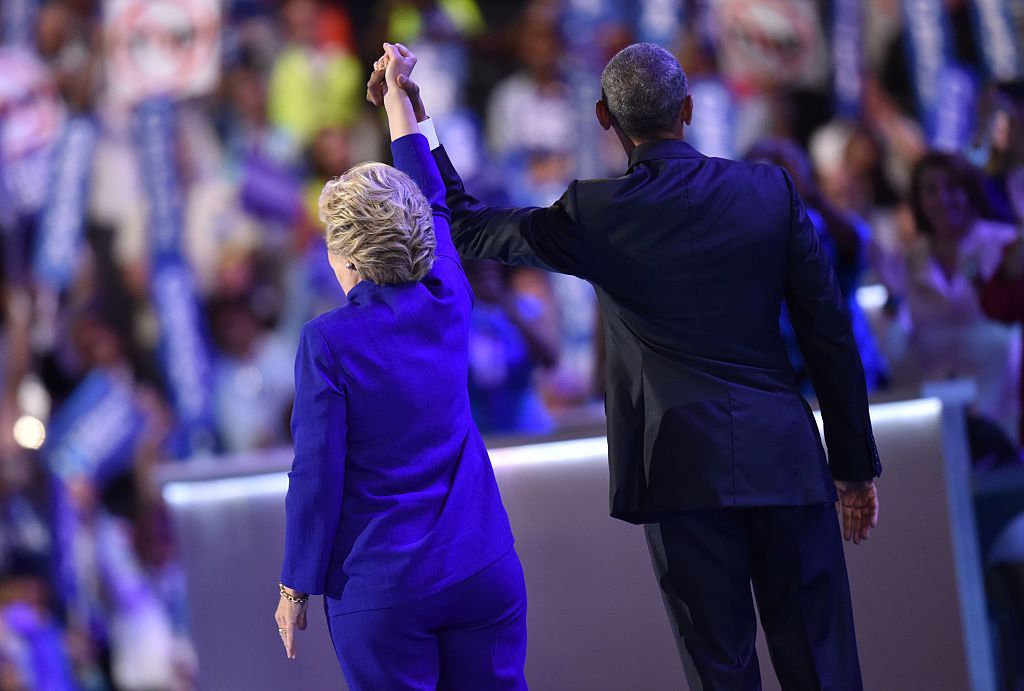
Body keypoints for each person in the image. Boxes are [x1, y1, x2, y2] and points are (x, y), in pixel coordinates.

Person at [369, 42, 881, 689]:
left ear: (605, 118)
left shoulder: (596, 212)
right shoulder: (769, 190)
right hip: (783, 458)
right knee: (824, 668)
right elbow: (829, 332)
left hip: (679, 472)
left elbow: (466, 227)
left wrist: (413, 115)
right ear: (688, 109)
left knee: (722, 673)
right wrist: (855, 466)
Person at [275, 43, 527, 690]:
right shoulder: (447, 291)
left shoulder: (327, 342)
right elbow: (431, 197)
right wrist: (398, 99)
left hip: (384, 591)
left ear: (347, 258)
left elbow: (316, 471)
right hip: (482, 568)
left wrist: (295, 583)